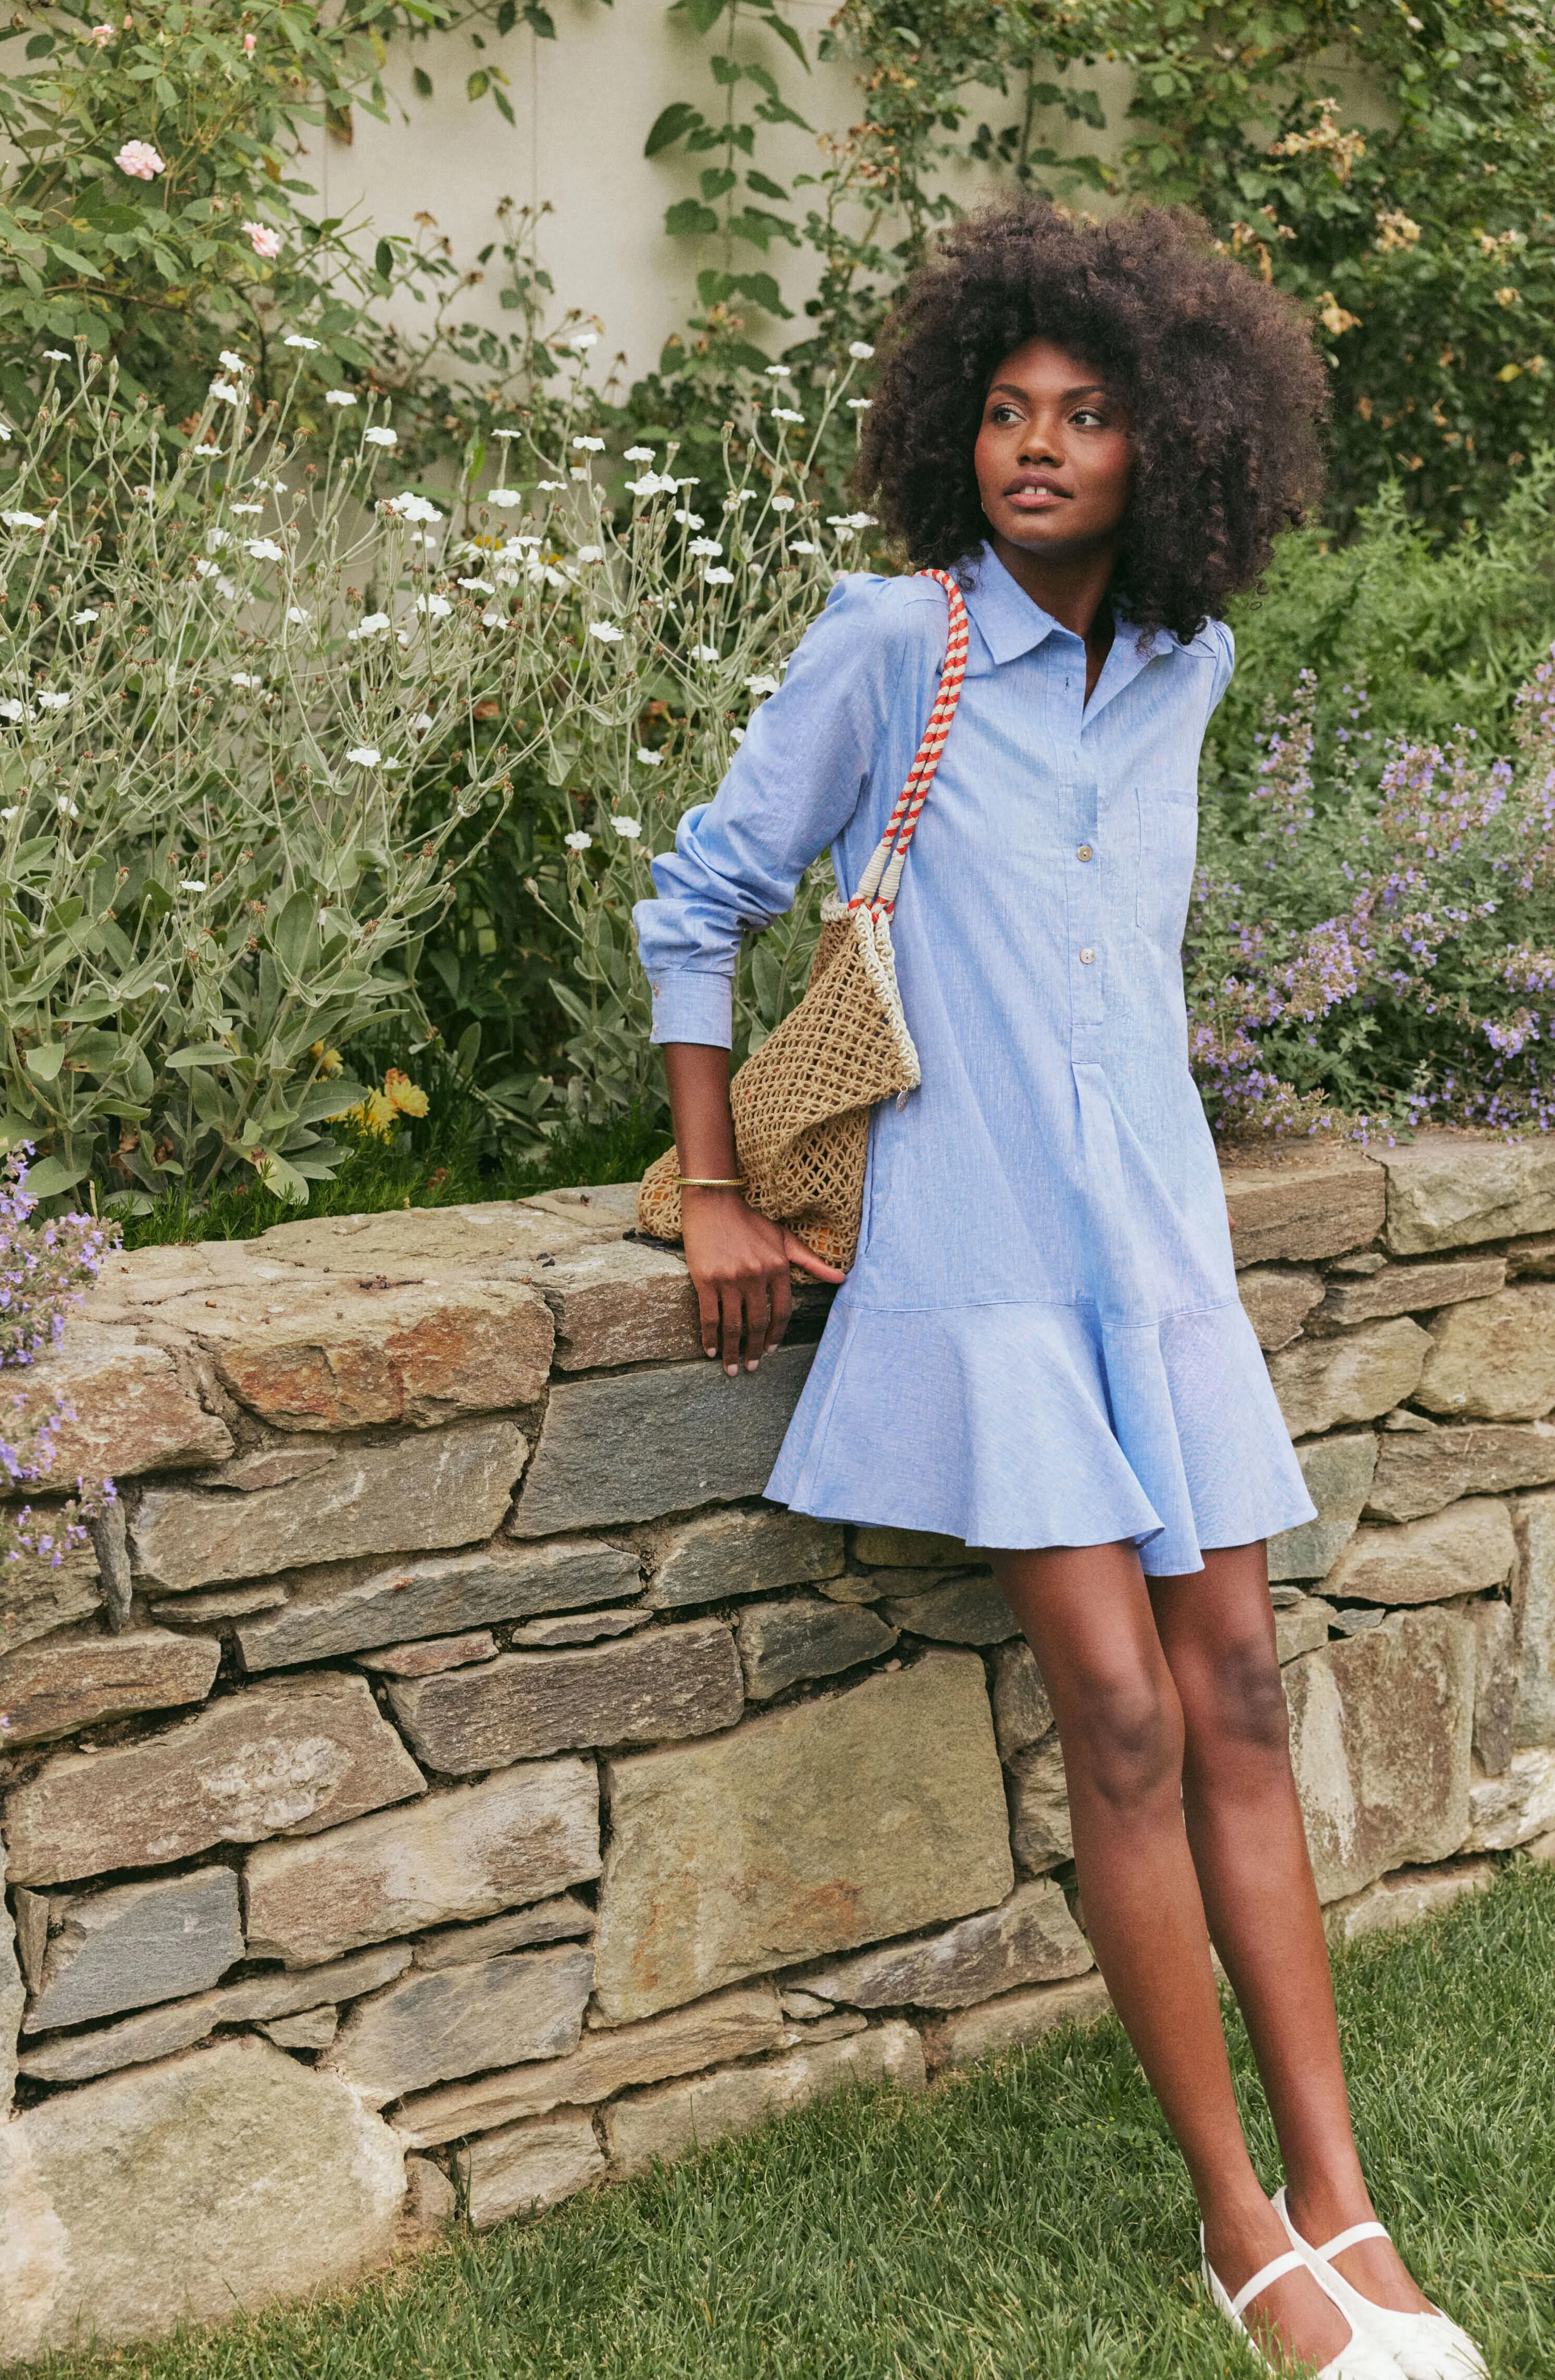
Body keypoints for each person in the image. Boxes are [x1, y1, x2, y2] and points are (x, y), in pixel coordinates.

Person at [633, 197, 1487, 2379]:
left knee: (1239, 1701)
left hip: (1163, 1258)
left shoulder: (1189, 669)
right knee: (1116, 1711)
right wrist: (718, 1185)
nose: (1037, 445)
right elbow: (702, 893)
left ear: (1169, 447)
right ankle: (1239, 2228)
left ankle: (1346, 2196)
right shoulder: (890, 641)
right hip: (987, 1258)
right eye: (1006, 411)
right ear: (957, 434)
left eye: (1085, 415)